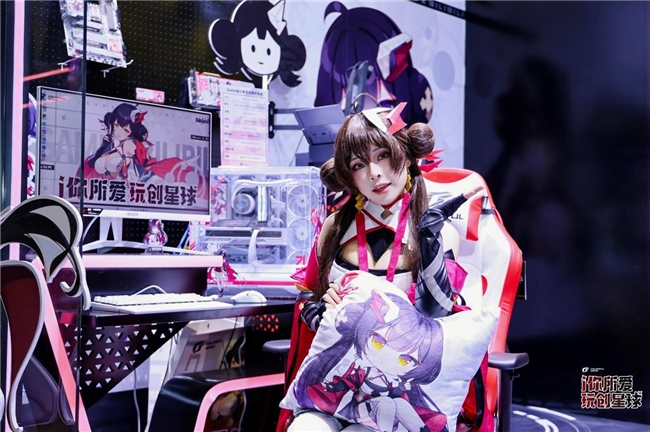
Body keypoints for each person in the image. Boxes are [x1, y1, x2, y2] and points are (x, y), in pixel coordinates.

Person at [286, 103, 482, 431]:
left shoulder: (437, 231)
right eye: (358, 165)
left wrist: (429, 242)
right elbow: (307, 296)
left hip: (400, 386)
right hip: (336, 380)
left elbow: (439, 317)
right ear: (348, 176)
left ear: (406, 154)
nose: (375, 173)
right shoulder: (334, 227)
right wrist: (319, 311)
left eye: (383, 155)